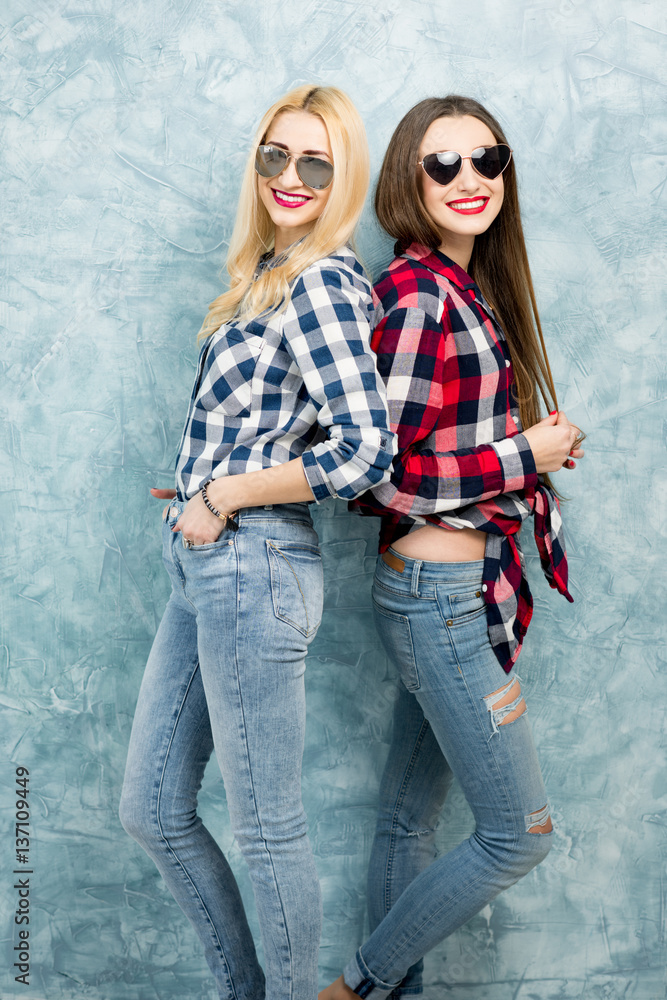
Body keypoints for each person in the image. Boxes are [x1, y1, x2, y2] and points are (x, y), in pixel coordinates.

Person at [119, 84, 395, 1000]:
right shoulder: (264, 275)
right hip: (210, 558)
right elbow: (280, 422)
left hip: (253, 563)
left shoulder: (320, 278)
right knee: (153, 808)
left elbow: (364, 448)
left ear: (341, 175)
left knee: (267, 827)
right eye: (275, 155)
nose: (289, 175)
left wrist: (231, 489)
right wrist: (207, 475)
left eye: (314, 162)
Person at [320, 95, 584, 1000]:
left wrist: (528, 458)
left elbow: (443, 446)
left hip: (454, 591)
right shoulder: (413, 293)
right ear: (408, 177)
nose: (469, 180)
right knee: (518, 834)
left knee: (404, 823)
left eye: (486, 160)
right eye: (443, 165)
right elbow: (376, 476)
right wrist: (520, 454)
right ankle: (352, 990)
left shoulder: (463, 287)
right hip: (436, 601)